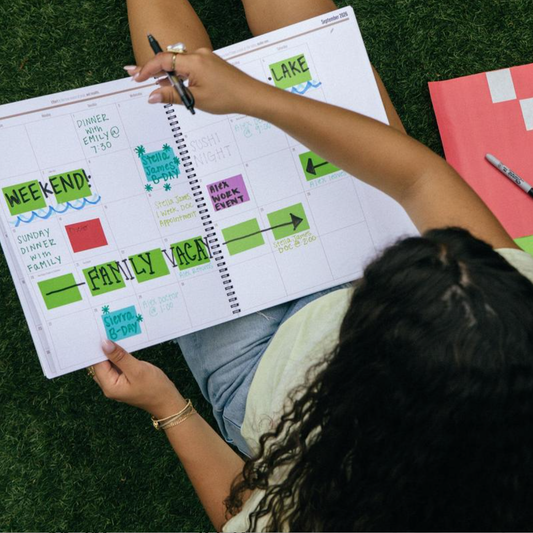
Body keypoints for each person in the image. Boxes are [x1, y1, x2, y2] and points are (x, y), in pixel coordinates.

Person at [90, 0, 533, 530]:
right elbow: (419, 179)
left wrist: (168, 406)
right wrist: (254, 97)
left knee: (183, 157)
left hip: (254, 378)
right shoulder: (507, 307)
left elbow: (239, 513)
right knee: (319, 60)